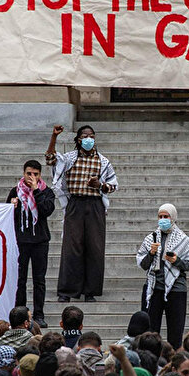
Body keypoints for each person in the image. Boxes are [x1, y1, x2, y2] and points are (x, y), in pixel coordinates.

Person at [46, 122, 118, 303]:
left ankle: (90, 291)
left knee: (94, 247)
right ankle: (67, 290)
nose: (89, 139)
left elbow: (113, 185)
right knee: (72, 247)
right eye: (85, 136)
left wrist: (99, 185)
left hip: (95, 206)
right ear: (78, 140)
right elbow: (50, 159)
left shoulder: (103, 161)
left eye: (92, 136)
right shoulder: (70, 158)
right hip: (75, 204)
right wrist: (54, 137)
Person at [137, 203, 189, 349]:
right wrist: (151, 253)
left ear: (173, 218)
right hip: (153, 288)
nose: (163, 219)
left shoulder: (183, 239)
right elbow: (143, 264)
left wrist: (176, 261)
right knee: (150, 332)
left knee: (175, 332)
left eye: (166, 216)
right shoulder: (150, 238)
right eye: (160, 217)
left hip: (176, 289)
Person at [6, 159, 56, 328]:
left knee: (39, 279)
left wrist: (36, 191)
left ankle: (39, 314)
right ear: (23, 173)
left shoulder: (46, 192)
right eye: (29, 174)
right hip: (21, 242)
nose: (31, 177)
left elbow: (46, 210)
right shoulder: (15, 191)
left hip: (40, 241)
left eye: (35, 174)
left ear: (40, 175)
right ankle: (19, 313)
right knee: (20, 279)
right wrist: (11, 207)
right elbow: (6, 217)